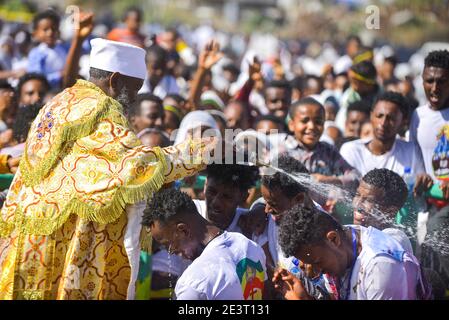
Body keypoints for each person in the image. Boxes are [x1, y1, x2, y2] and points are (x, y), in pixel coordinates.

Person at [0, 38, 220, 300]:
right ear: (115, 80)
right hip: (66, 237)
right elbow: (132, 166)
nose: (135, 98)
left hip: (31, 236)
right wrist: (201, 151)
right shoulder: (103, 108)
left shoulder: (60, 101)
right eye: (134, 89)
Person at [274, 204, 425, 300]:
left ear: (333, 239)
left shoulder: (380, 267)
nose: (316, 271)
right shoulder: (342, 244)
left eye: (317, 262)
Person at [142, 188, 267, 300]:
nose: (170, 251)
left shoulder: (195, 283)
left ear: (183, 230)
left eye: (168, 244)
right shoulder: (251, 246)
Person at [278, 97, 360, 188]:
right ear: (291, 125)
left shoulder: (329, 151)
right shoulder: (282, 152)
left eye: (318, 122)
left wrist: (332, 180)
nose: (312, 126)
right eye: (304, 121)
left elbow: (355, 176)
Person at [340, 91, 425, 176]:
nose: (383, 123)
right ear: (371, 116)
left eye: (391, 118)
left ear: (403, 122)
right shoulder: (351, 151)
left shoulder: (411, 152)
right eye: (379, 116)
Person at [194, 163, 259, 233]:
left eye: (226, 196)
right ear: (205, 185)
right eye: (212, 191)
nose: (216, 202)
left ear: (243, 197)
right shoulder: (186, 212)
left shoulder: (255, 226)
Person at [27, 9, 68, 90]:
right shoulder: (37, 53)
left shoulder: (65, 48)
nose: (50, 33)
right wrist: (59, 75)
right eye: (45, 30)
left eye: (54, 29)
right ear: (35, 33)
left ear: (58, 31)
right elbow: (36, 78)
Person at [335, 60, 380, 131]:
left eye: (355, 82)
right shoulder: (349, 97)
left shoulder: (381, 99)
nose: (352, 86)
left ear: (368, 84)